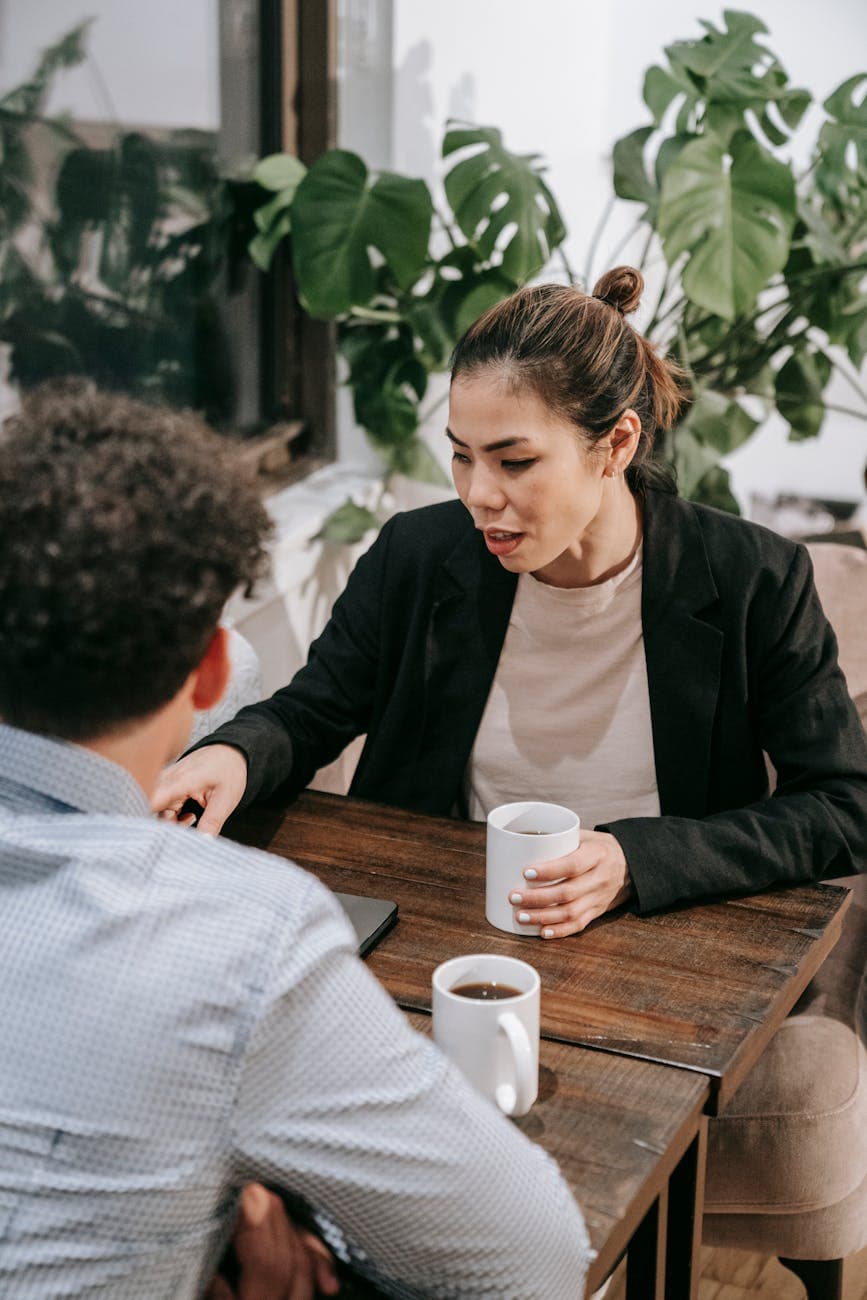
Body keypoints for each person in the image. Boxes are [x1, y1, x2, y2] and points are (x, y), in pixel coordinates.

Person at [0, 386, 591, 1297]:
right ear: (211, 670)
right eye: (463, 456)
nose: (482, 493)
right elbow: (536, 1257)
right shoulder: (244, 937)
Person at [155, 267, 867, 935]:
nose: (478, 495)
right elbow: (309, 712)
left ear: (617, 443)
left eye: (514, 461)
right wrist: (233, 757)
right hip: (449, 914)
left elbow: (844, 806)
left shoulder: (754, 578)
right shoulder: (417, 556)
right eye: (461, 455)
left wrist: (636, 860)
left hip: (660, 934)